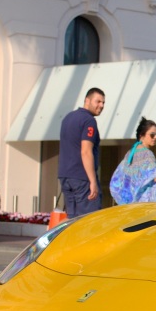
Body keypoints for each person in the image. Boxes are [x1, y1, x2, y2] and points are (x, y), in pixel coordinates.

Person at [58, 87, 105, 218]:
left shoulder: (67, 118)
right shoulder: (89, 121)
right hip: (82, 178)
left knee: (72, 222)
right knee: (89, 221)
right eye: (98, 101)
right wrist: (93, 181)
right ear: (87, 101)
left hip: (65, 177)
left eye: (103, 103)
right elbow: (86, 151)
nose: (101, 105)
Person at [109, 118, 156, 204]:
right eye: (152, 135)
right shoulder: (147, 154)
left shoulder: (129, 153)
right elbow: (155, 177)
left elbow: (117, 181)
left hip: (128, 207)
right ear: (142, 135)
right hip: (144, 205)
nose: (155, 137)